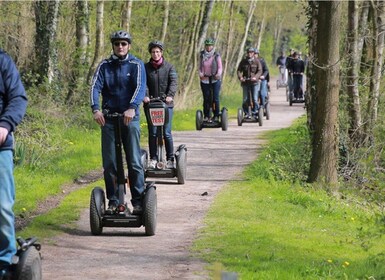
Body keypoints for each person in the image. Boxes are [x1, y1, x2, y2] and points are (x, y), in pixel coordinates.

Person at [90, 30, 146, 215]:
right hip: (109, 119)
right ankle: (113, 201)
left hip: (130, 118)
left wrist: (132, 107)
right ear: (113, 46)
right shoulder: (104, 66)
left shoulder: (136, 64)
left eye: (123, 43)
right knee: (110, 163)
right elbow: (95, 87)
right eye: (117, 44)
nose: (120, 47)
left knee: (134, 161)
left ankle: (138, 201)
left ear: (128, 45)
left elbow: (139, 88)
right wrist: (95, 109)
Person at [0, 50, 28, 278]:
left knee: (1, 206)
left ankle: (5, 261)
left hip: (0, 146)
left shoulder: (3, 61)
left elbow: (18, 98)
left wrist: (5, 125)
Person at [143, 41, 178, 169]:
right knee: (152, 132)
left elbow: (173, 82)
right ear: (150, 53)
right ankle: (153, 158)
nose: (155, 54)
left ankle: (170, 159)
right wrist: (145, 96)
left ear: (161, 52)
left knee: (167, 133)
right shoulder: (145, 67)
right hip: (151, 104)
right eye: (153, 52)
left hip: (166, 105)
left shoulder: (169, 67)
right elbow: (143, 83)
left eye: (158, 51)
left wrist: (170, 95)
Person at [198, 38, 223, 122]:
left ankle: (216, 115)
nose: (209, 47)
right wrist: (200, 74)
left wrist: (218, 74)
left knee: (215, 98)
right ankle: (206, 115)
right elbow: (200, 67)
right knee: (206, 98)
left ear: (213, 46)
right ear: (205, 46)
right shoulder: (202, 55)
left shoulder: (216, 55)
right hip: (205, 80)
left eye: (210, 46)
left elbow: (220, 67)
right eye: (207, 46)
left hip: (215, 80)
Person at [237, 47, 262, 118]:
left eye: (251, 52)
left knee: (254, 98)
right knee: (245, 99)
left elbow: (260, 71)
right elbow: (239, 70)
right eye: (248, 52)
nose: (249, 54)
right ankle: (246, 113)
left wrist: (256, 77)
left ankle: (255, 112)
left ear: (253, 53)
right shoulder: (243, 61)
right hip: (245, 82)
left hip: (254, 83)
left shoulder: (257, 61)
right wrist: (240, 77)